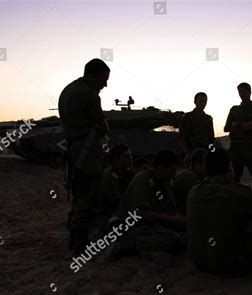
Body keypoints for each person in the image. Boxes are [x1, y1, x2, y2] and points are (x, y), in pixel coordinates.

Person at [187, 148, 252, 277]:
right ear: (229, 167)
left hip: (199, 262)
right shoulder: (237, 193)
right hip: (231, 265)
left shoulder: (193, 192)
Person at [58, 58, 110, 255]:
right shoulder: (89, 94)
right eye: (104, 79)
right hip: (88, 151)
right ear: (92, 75)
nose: (105, 84)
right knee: (90, 195)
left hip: (73, 149)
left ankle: (74, 241)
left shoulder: (68, 90)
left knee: (79, 194)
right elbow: (103, 126)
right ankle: (80, 247)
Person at [109, 149, 185, 261]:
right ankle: (129, 245)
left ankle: (146, 248)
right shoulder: (143, 179)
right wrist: (172, 218)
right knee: (174, 240)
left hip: (147, 226)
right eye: (172, 170)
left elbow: (168, 208)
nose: (174, 174)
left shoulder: (164, 182)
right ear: (161, 168)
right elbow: (141, 213)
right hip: (127, 226)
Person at [224, 82, 252, 183]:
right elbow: (226, 128)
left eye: (243, 91)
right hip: (235, 146)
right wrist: (247, 125)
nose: (241, 94)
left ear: (249, 92)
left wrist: (237, 125)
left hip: (250, 145)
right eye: (239, 92)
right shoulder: (234, 109)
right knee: (234, 177)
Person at [100, 144, 134, 223]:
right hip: (108, 214)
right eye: (126, 156)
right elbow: (116, 201)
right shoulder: (108, 176)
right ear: (116, 159)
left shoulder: (127, 172)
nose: (130, 158)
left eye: (130, 156)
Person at [178, 92, 214, 161]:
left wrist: (212, 152)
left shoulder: (208, 118)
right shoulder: (187, 117)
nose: (203, 104)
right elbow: (181, 137)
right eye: (200, 101)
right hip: (193, 151)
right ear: (195, 102)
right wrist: (188, 153)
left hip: (205, 152)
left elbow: (211, 139)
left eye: (205, 101)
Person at [171, 148, 207, 214]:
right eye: (205, 165)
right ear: (197, 165)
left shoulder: (192, 176)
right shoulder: (188, 177)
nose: (208, 169)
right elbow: (201, 199)